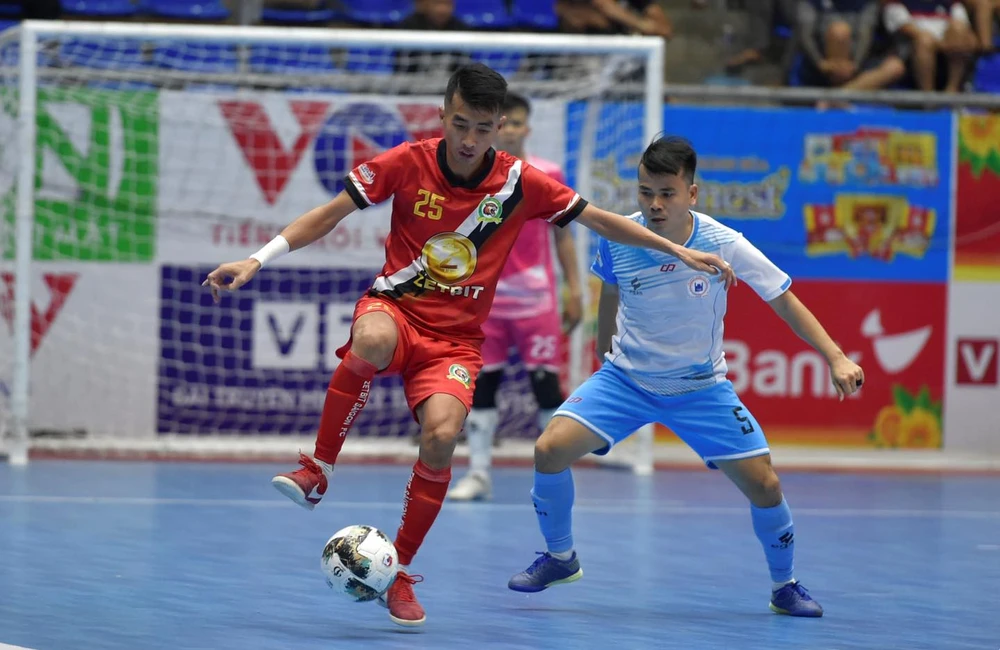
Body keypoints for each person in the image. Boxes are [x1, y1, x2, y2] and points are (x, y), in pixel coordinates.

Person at [202, 65, 736, 628]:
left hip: (455, 343)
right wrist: (257, 259)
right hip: (396, 310)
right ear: (442, 115)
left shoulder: (521, 182)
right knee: (372, 338)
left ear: (499, 127)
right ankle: (317, 470)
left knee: (441, 437)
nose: (468, 139)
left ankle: (400, 572)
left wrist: (680, 251)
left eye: (482, 128)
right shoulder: (406, 162)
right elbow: (328, 215)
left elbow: (601, 222)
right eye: (460, 124)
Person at [507, 136, 865, 618]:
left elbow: (782, 299)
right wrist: (602, 346)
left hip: (701, 390)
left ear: (691, 193)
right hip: (625, 382)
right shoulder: (620, 234)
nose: (654, 204)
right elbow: (610, 289)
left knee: (766, 486)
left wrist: (835, 357)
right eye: (645, 192)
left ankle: (785, 585)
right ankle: (560, 557)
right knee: (549, 450)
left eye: (667, 193)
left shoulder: (723, 242)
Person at [448, 91, 582, 503]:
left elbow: (563, 236)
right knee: (482, 385)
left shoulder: (548, 173)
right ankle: (478, 474)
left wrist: (575, 288)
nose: (511, 131)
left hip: (536, 302)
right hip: (485, 301)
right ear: (495, 127)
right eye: (504, 124)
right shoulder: (472, 174)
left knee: (546, 388)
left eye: (519, 123)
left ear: (527, 128)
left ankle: (555, 478)